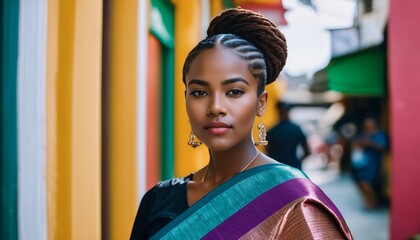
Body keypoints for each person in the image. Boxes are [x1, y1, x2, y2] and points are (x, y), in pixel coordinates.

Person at [130, 7, 352, 239]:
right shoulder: (158, 199)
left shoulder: (295, 201)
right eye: (199, 92)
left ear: (261, 103)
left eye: (234, 91)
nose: (215, 107)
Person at [351, 117, 388, 210]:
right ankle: (369, 202)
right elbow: (355, 146)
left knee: (367, 183)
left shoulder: (380, 135)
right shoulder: (363, 135)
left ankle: (374, 202)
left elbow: (383, 147)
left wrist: (370, 143)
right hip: (361, 164)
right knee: (361, 183)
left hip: (374, 163)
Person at [266, 101, 311, 170]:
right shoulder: (296, 129)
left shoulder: (272, 131)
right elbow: (307, 152)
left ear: (278, 112)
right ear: (288, 112)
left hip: (277, 168)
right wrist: (299, 162)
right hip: (293, 167)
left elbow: (267, 153)